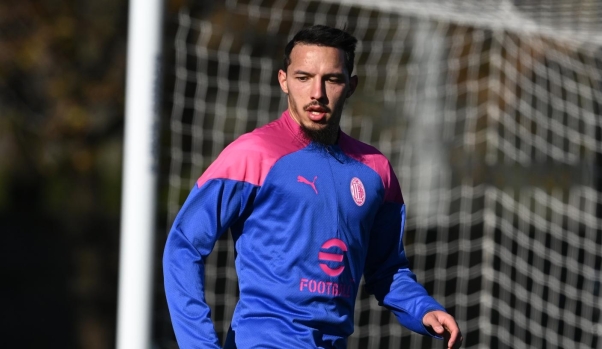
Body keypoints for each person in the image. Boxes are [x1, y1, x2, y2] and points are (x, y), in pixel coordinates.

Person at [163, 25, 463, 349]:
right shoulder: (252, 154)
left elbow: (386, 268)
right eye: (303, 77)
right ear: (283, 81)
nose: (316, 93)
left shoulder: (376, 171)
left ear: (351, 85)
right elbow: (184, 246)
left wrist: (423, 309)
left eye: (331, 79)